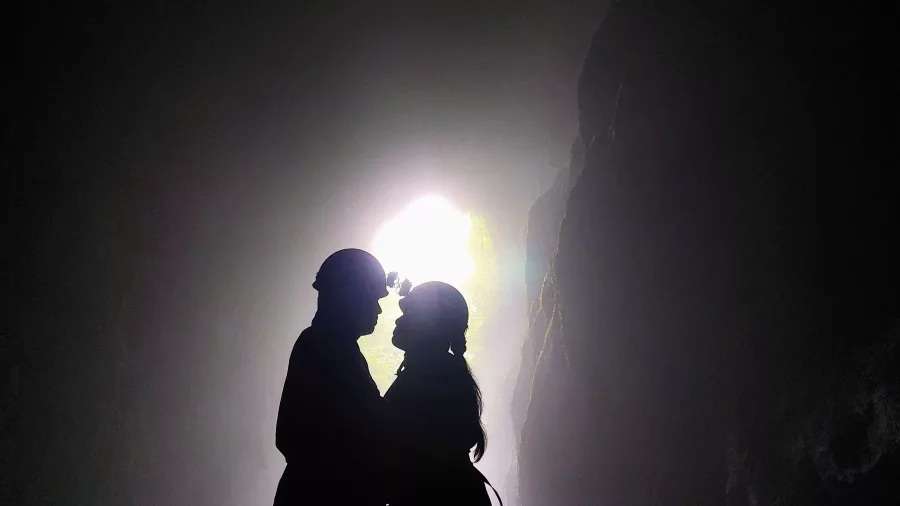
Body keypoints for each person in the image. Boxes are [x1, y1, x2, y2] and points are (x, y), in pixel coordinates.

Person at [273, 248, 389, 506]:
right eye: (374, 298)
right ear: (352, 297)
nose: (379, 310)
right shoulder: (328, 347)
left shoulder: (328, 344)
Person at [384, 281, 498, 506]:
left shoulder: (426, 377)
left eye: (408, 315)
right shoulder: (443, 373)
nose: (398, 320)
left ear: (427, 325)